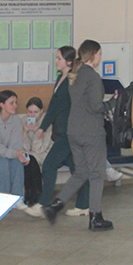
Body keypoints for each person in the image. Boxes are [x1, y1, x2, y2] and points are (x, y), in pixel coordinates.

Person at [43, 40, 113, 230]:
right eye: (99, 54)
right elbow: (96, 106)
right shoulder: (93, 77)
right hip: (91, 132)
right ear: (94, 54)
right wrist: (113, 102)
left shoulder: (74, 74)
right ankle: (95, 216)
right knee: (97, 174)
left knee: (81, 171)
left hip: (73, 130)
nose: (100, 58)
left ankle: (55, 205)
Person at [25, 47, 89, 218]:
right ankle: (84, 205)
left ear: (69, 61)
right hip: (61, 131)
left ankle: (43, 204)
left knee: (49, 165)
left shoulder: (72, 81)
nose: (56, 61)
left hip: (70, 132)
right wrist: (42, 127)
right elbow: (53, 106)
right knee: (77, 167)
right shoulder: (60, 79)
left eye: (59, 58)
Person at [21, 97, 52, 209]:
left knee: (31, 159)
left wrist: (36, 133)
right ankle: (30, 192)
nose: (32, 115)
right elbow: (24, 147)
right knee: (26, 159)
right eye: (30, 112)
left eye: (36, 112)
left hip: (45, 152)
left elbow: (39, 149)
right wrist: (25, 132)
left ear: (41, 111)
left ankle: (36, 192)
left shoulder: (47, 123)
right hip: (29, 153)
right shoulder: (23, 121)